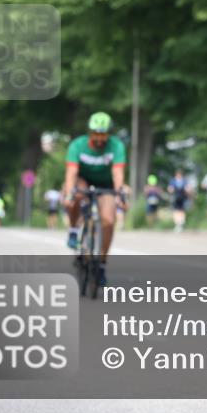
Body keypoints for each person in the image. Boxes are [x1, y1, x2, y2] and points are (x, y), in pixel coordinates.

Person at [62, 112, 128, 287]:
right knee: (75, 194)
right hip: (83, 179)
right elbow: (71, 173)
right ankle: (74, 229)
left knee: (108, 220)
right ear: (90, 132)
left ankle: (101, 264)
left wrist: (120, 193)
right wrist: (69, 194)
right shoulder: (77, 145)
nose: (99, 138)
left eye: (103, 134)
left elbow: (118, 173)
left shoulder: (116, 146)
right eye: (96, 133)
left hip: (105, 184)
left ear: (109, 133)